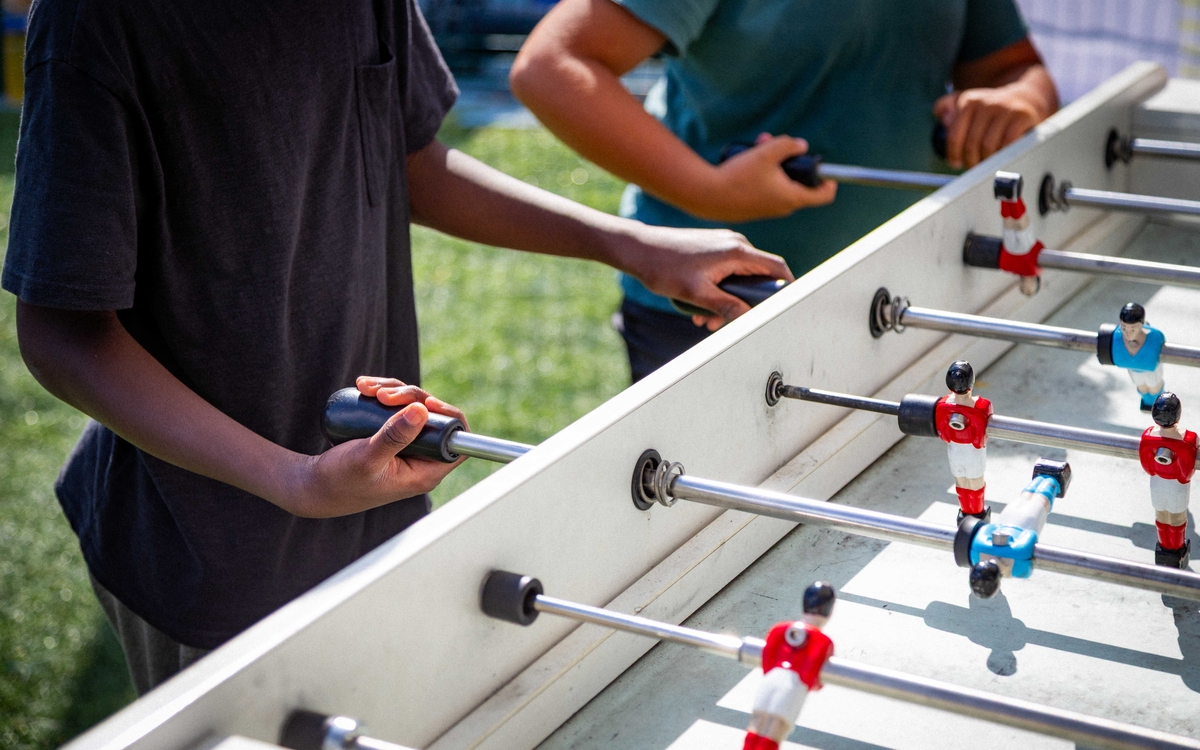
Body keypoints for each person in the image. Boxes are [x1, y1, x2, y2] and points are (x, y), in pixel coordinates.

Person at [1, 0, 791, 693]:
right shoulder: (99, 20)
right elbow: (62, 334)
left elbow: (408, 157)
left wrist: (632, 244)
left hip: (372, 510)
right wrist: (293, 480)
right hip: (213, 551)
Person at [509, 0, 1060, 380]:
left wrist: (1021, 101)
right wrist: (710, 193)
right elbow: (551, 67)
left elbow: (1012, 69)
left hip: (913, 292)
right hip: (720, 307)